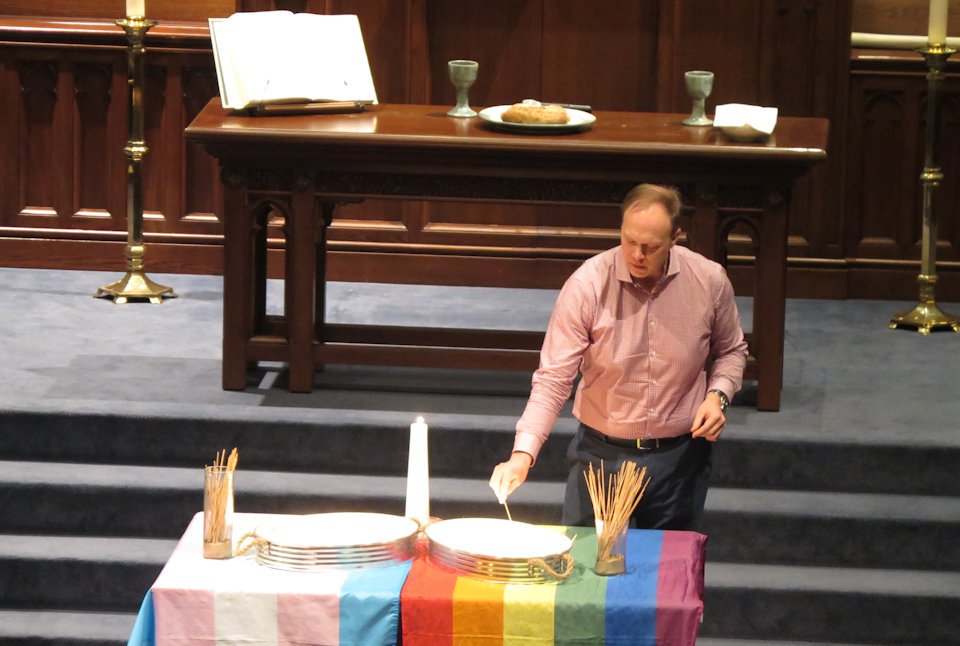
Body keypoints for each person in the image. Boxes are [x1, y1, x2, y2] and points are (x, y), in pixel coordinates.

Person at [489, 183, 748, 531]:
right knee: (591, 578)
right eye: (629, 241)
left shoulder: (709, 280)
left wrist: (718, 396)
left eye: (651, 247)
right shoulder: (588, 284)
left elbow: (731, 351)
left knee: (666, 578)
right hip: (602, 458)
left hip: (680, 458)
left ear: (676, 237)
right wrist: (523, 453)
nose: (637, 255)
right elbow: (553, 379)